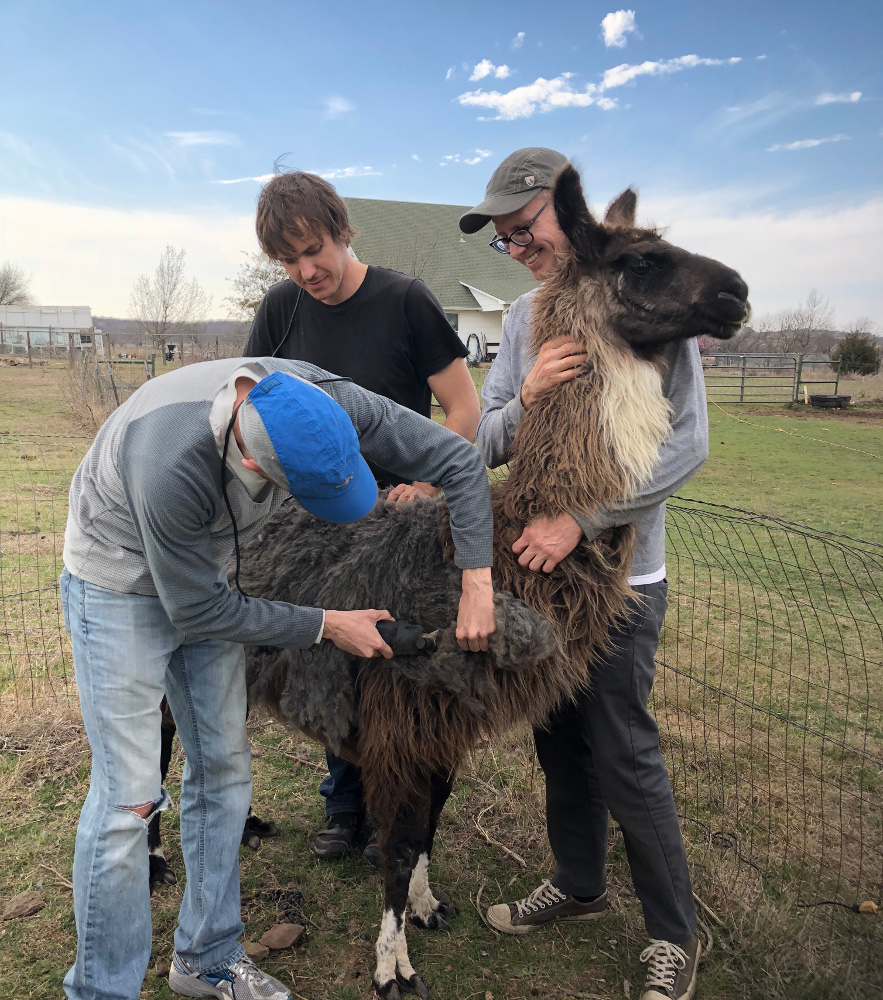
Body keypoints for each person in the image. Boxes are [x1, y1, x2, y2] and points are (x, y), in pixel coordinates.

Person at [60, 357, 495, 1000]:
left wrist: (477, 582)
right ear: (257, 469)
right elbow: (200, 611)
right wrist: (328, 624)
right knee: (128, 798)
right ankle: (100, 989)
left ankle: (206, 957)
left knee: (223, 769)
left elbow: (458, 462)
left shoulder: (329, 402)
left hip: (212, 566)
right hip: (120, 578)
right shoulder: (170, 464)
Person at [460, 148, 705, 1000]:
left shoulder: (645, 300)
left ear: (565, 214)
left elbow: (687, 447)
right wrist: (522, 395)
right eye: (505, 241)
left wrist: (580, 521)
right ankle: (579, 885)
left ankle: (674, 935)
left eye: (523, 230)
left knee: (623, 750)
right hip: (540, 584)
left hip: (619, 581)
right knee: (557, 741)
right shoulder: (525, 319)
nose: (518, 248)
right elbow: (481, 440)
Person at [244, 170, 481, 865]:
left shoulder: (406, 301)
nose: (306, 270)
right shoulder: (280, 309)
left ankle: (396, 813)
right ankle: (342, 804)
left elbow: (463, 410)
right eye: (289, 261)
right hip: (312, 528)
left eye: (314, 249)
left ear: (341, 230)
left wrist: (426, 483)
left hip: (397, 528)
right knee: (326, 658)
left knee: (393, 668)